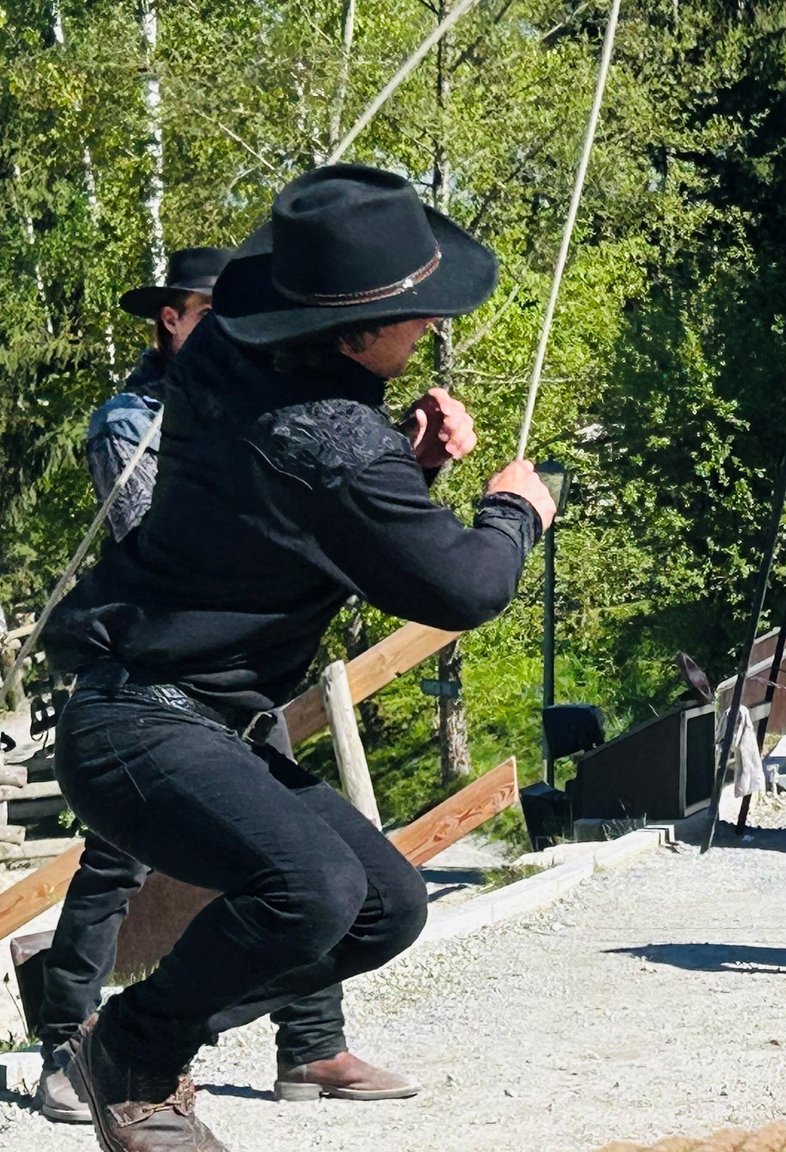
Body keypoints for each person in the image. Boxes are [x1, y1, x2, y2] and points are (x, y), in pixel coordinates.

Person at [40, 165, 558, 1152]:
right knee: (313, 886)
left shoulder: (241, 373)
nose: (428, 329)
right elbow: (462, 588)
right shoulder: (330, 440)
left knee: (386, 909)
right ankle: (135, 1063)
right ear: (352, 335)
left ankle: (131, 1042)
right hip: (138, 722)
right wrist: (513, 511)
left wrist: (414, 471)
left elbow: (290, 515)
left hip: (205, 725)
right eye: (414, 315)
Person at [35, 247, 423, 1126]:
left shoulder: (264, 408)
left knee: (314, 867)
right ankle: (74, 1042)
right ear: (169, 320)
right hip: (156, 674)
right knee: (117, 859)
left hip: (236, 678)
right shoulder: (133, 419)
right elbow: (179, 549)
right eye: (208, 311)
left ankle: (308, 1046)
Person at [84, 248, 230, 544]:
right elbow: (152, 547)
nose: (225, 327)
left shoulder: (257, 399)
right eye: (208, 314)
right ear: (170, 320)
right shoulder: (126, 426)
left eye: (233, 312)